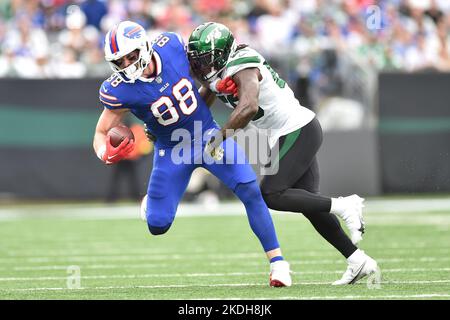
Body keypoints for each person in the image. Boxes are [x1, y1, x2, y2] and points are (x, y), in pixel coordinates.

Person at [92, 21, 292, 287]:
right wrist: (105, 153)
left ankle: (278, 264)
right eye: (120, 60)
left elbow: (207, 73)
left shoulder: (172, 47)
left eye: (131, 56)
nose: (127, 64)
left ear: (145, 47)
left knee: (250, 190)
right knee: (158, 224)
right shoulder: (119, 89)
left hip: (207, 134)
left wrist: (224, 81)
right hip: (172, 148)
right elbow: (100, 132)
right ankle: (150, 204)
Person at [186, 22, 378, 285]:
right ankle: (358, 260)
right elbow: (203, 99)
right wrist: (177, 123)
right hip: (286, 132)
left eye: (205, 60)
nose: (201, 67)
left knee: (272, 193)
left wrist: (218, 139)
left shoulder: (243, 62)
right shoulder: (217, 72)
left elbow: (249, 107)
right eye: (197, 61)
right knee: (311, 205)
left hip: (298, 129)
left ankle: (345, 205)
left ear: (221, 53)